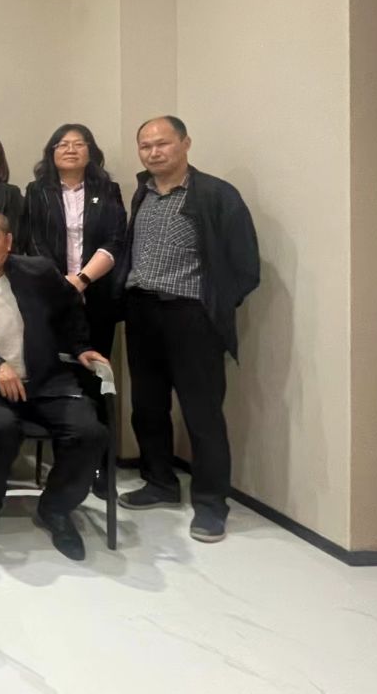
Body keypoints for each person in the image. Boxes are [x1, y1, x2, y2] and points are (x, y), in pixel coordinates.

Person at [0, 209, 109, 561]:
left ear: (8, 241)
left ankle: (56, 508)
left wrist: (80, 347)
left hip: (46, 380)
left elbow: (69, 308)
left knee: (89, 433)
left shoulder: (37, 272)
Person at [117, 116, 259, 544]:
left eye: (162, 143)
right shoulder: (142, 192)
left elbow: (245, 266)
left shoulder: (216, 194)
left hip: (191, 316)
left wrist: (209, 305)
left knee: (202, 413)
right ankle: (160, 482)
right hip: (142, 311)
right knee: (147, 406)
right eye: (145, 146)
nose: (154, 152)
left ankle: (212, 505)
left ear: (185, 144)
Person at [23, 123, 126, 357]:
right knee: (53, 361)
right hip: (51, 291)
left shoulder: (108, 190)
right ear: (52, 152)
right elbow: (33, 240)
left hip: (97, 291)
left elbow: (115, 239)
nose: (71, 150)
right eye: (63, 145)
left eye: (79, 144)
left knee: (96, 362)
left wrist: (82, 279)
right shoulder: (37, 191)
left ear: (91, 152)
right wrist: (62, 282)